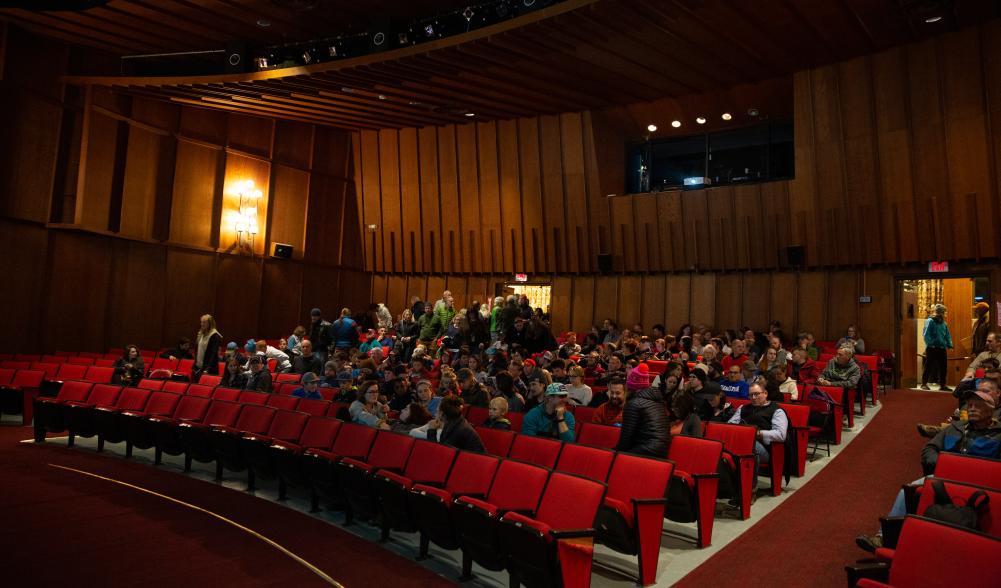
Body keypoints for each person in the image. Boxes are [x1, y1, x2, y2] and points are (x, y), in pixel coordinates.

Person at [855, 382, 1001, 553]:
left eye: (977, 406)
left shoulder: (998, 434)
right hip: (943, 478)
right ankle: (883, 538)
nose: (972, 409)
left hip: (978, 486)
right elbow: (930, 448)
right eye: (969, 405)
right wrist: (942, 465)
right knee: (907, 490)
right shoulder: (956, 427)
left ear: (990, 410)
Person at [728, 382, 788, 489]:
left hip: (766, 449)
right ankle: (732, 486)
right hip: (742, 442)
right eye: (751, 395)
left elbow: (780, 435)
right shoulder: (743, 408)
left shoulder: (777, 411)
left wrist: (758, 434)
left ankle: (750, 489)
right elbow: (729, 426)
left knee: (750, 445)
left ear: (765, 393)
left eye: (756, 394)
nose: (753, 398)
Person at [616, 381, 670, 457]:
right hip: (662, 449)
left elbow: (626, 438)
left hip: (647, 449)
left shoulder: (633, 404)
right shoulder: (658, 402)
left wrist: (613, 454)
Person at [920, 304, 953, 391]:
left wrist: (949, 344)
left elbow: (947, 335)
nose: (945, 314)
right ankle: (924, 383)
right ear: (940, 312)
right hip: (932, 348)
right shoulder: (930, 321)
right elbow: (926, 334)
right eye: (944, 312)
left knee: (943, 367)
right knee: (928, 366)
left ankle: (943, 385)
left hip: (941, 348)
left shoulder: (944, 323)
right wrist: (931, 344)